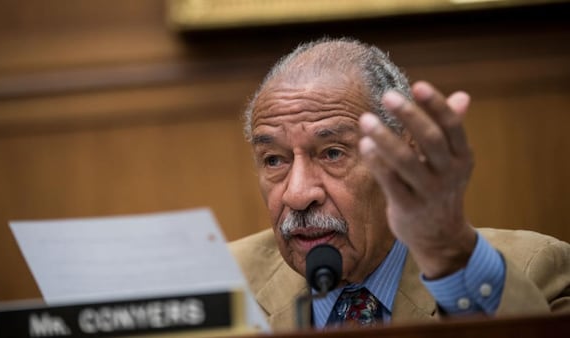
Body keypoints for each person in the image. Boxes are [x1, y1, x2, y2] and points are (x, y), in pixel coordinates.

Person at [229, 37, 570, 331]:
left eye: (332, 153)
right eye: (274, 160)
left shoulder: (534, 270)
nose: (298, 194)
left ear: (403, 158)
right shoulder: (223, 281)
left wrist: (448, 254)